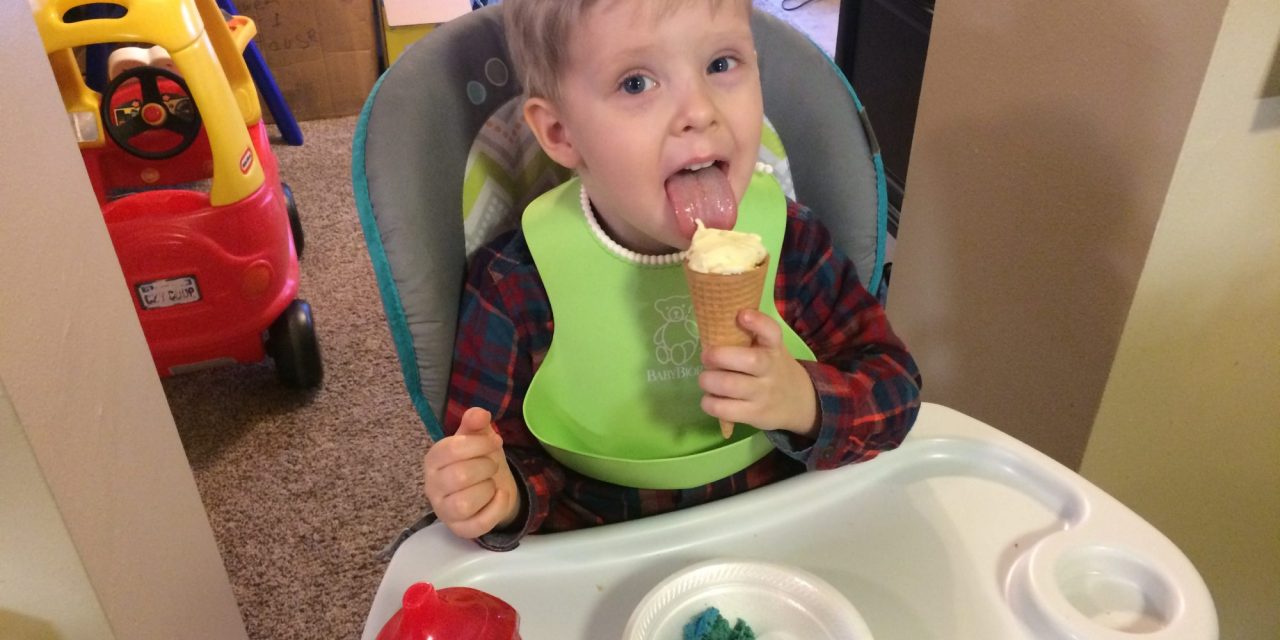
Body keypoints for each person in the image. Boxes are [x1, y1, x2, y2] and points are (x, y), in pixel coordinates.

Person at [422, 0, 922, 551]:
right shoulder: (514, 285)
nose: (699, 111)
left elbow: (895, 391)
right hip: (605, 553)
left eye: (721, 64)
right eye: (636, 83)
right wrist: (497, 490)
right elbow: (504, 454)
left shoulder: (793, 244)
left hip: (778, 538)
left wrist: (803, 400)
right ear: (561, 133)